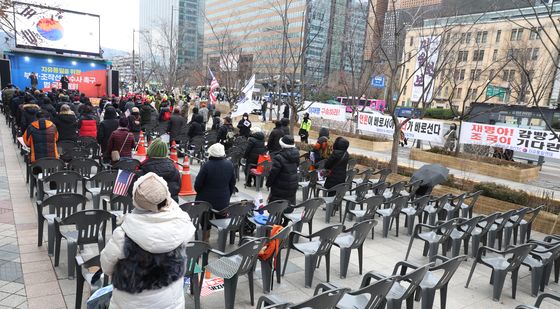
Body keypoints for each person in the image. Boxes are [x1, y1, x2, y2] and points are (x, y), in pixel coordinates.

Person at [100, 172, 195, 309]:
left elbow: (106, 267)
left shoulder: (124, 234)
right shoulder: (181, 226)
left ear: (136, 201)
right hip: (171, 304)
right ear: (166, 199)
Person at [194, 143, 236, 241]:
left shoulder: (207, 165)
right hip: (223, 200)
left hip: (206, 200)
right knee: (221, 219)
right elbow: (232, 183)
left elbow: (198, 185)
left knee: (205, 218)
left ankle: (205, 237)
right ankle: (222, 238)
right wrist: (227, 196)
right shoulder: (229, 164)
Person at [266, 135, 299, 205]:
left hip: (280, 187)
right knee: (286, 205)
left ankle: (277, 214)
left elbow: (273, 173)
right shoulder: (296, 154)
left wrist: (268, 184)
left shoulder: (279, 157)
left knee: (276, 207)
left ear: (282, 144)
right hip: (292, 185)